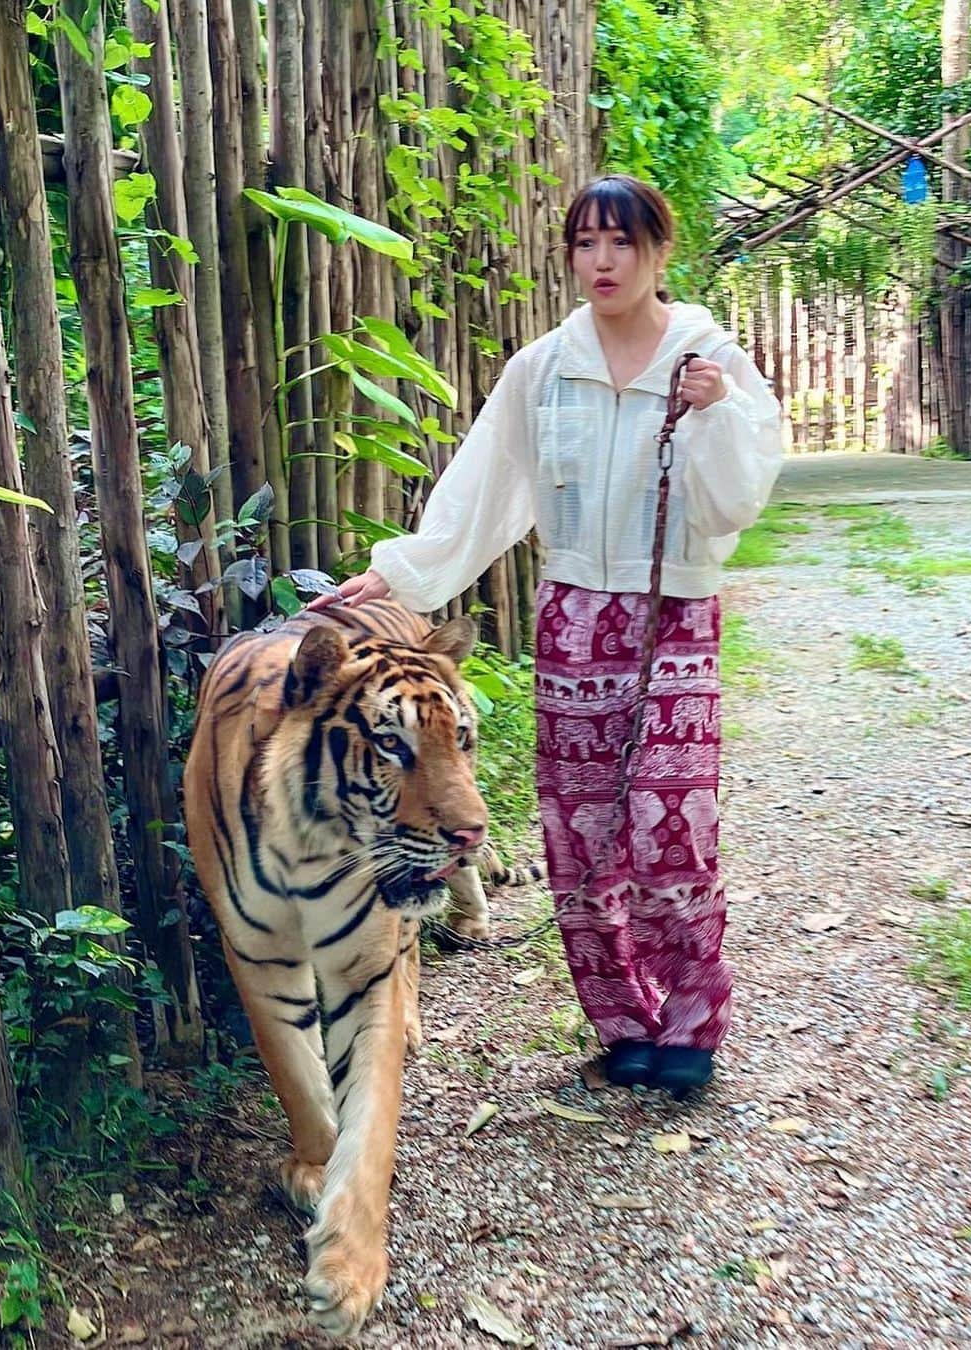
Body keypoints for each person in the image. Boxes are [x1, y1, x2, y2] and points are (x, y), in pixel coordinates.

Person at [311, 174, 782, 1098]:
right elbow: (484, 491)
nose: (603, 262)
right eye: (585, 244)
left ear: (659, 252)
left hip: (673, 614)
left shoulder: (708, 357)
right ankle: (621, 1023)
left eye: (623, 243)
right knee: (582, 828)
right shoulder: (541, 368)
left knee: (671, 825)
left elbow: (738, 500)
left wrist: (717, 408)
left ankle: (690, 1021)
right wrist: (402, 572)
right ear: (570, 255)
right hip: (573, 621)